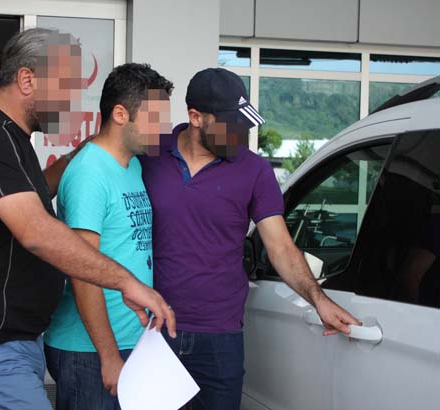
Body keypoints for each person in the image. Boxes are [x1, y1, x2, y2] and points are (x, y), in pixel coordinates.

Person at [0, 28, 175, 410]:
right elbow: (35, 231)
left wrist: (84, 151)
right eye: (67, 86)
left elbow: (33, 191)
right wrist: (126, 282)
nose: (73, 100)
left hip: (11, 345)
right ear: (27, 80)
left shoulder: (12, 137)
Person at [140, 68, 360, 410]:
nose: (240, 135)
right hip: (150, 330)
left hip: (219, 337)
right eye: (231, 125)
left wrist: (318, 299)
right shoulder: (149, 154)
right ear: (196, 117)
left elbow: (280, 246)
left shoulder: (255, 170)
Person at [44, 63, 173, 410]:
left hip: (132, 340)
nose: (163, 129)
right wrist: (108, 354)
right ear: (120, 114)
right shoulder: (89, 173)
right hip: (89, 350)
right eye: (155, 118)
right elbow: (81, 270)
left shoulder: (132, 164)